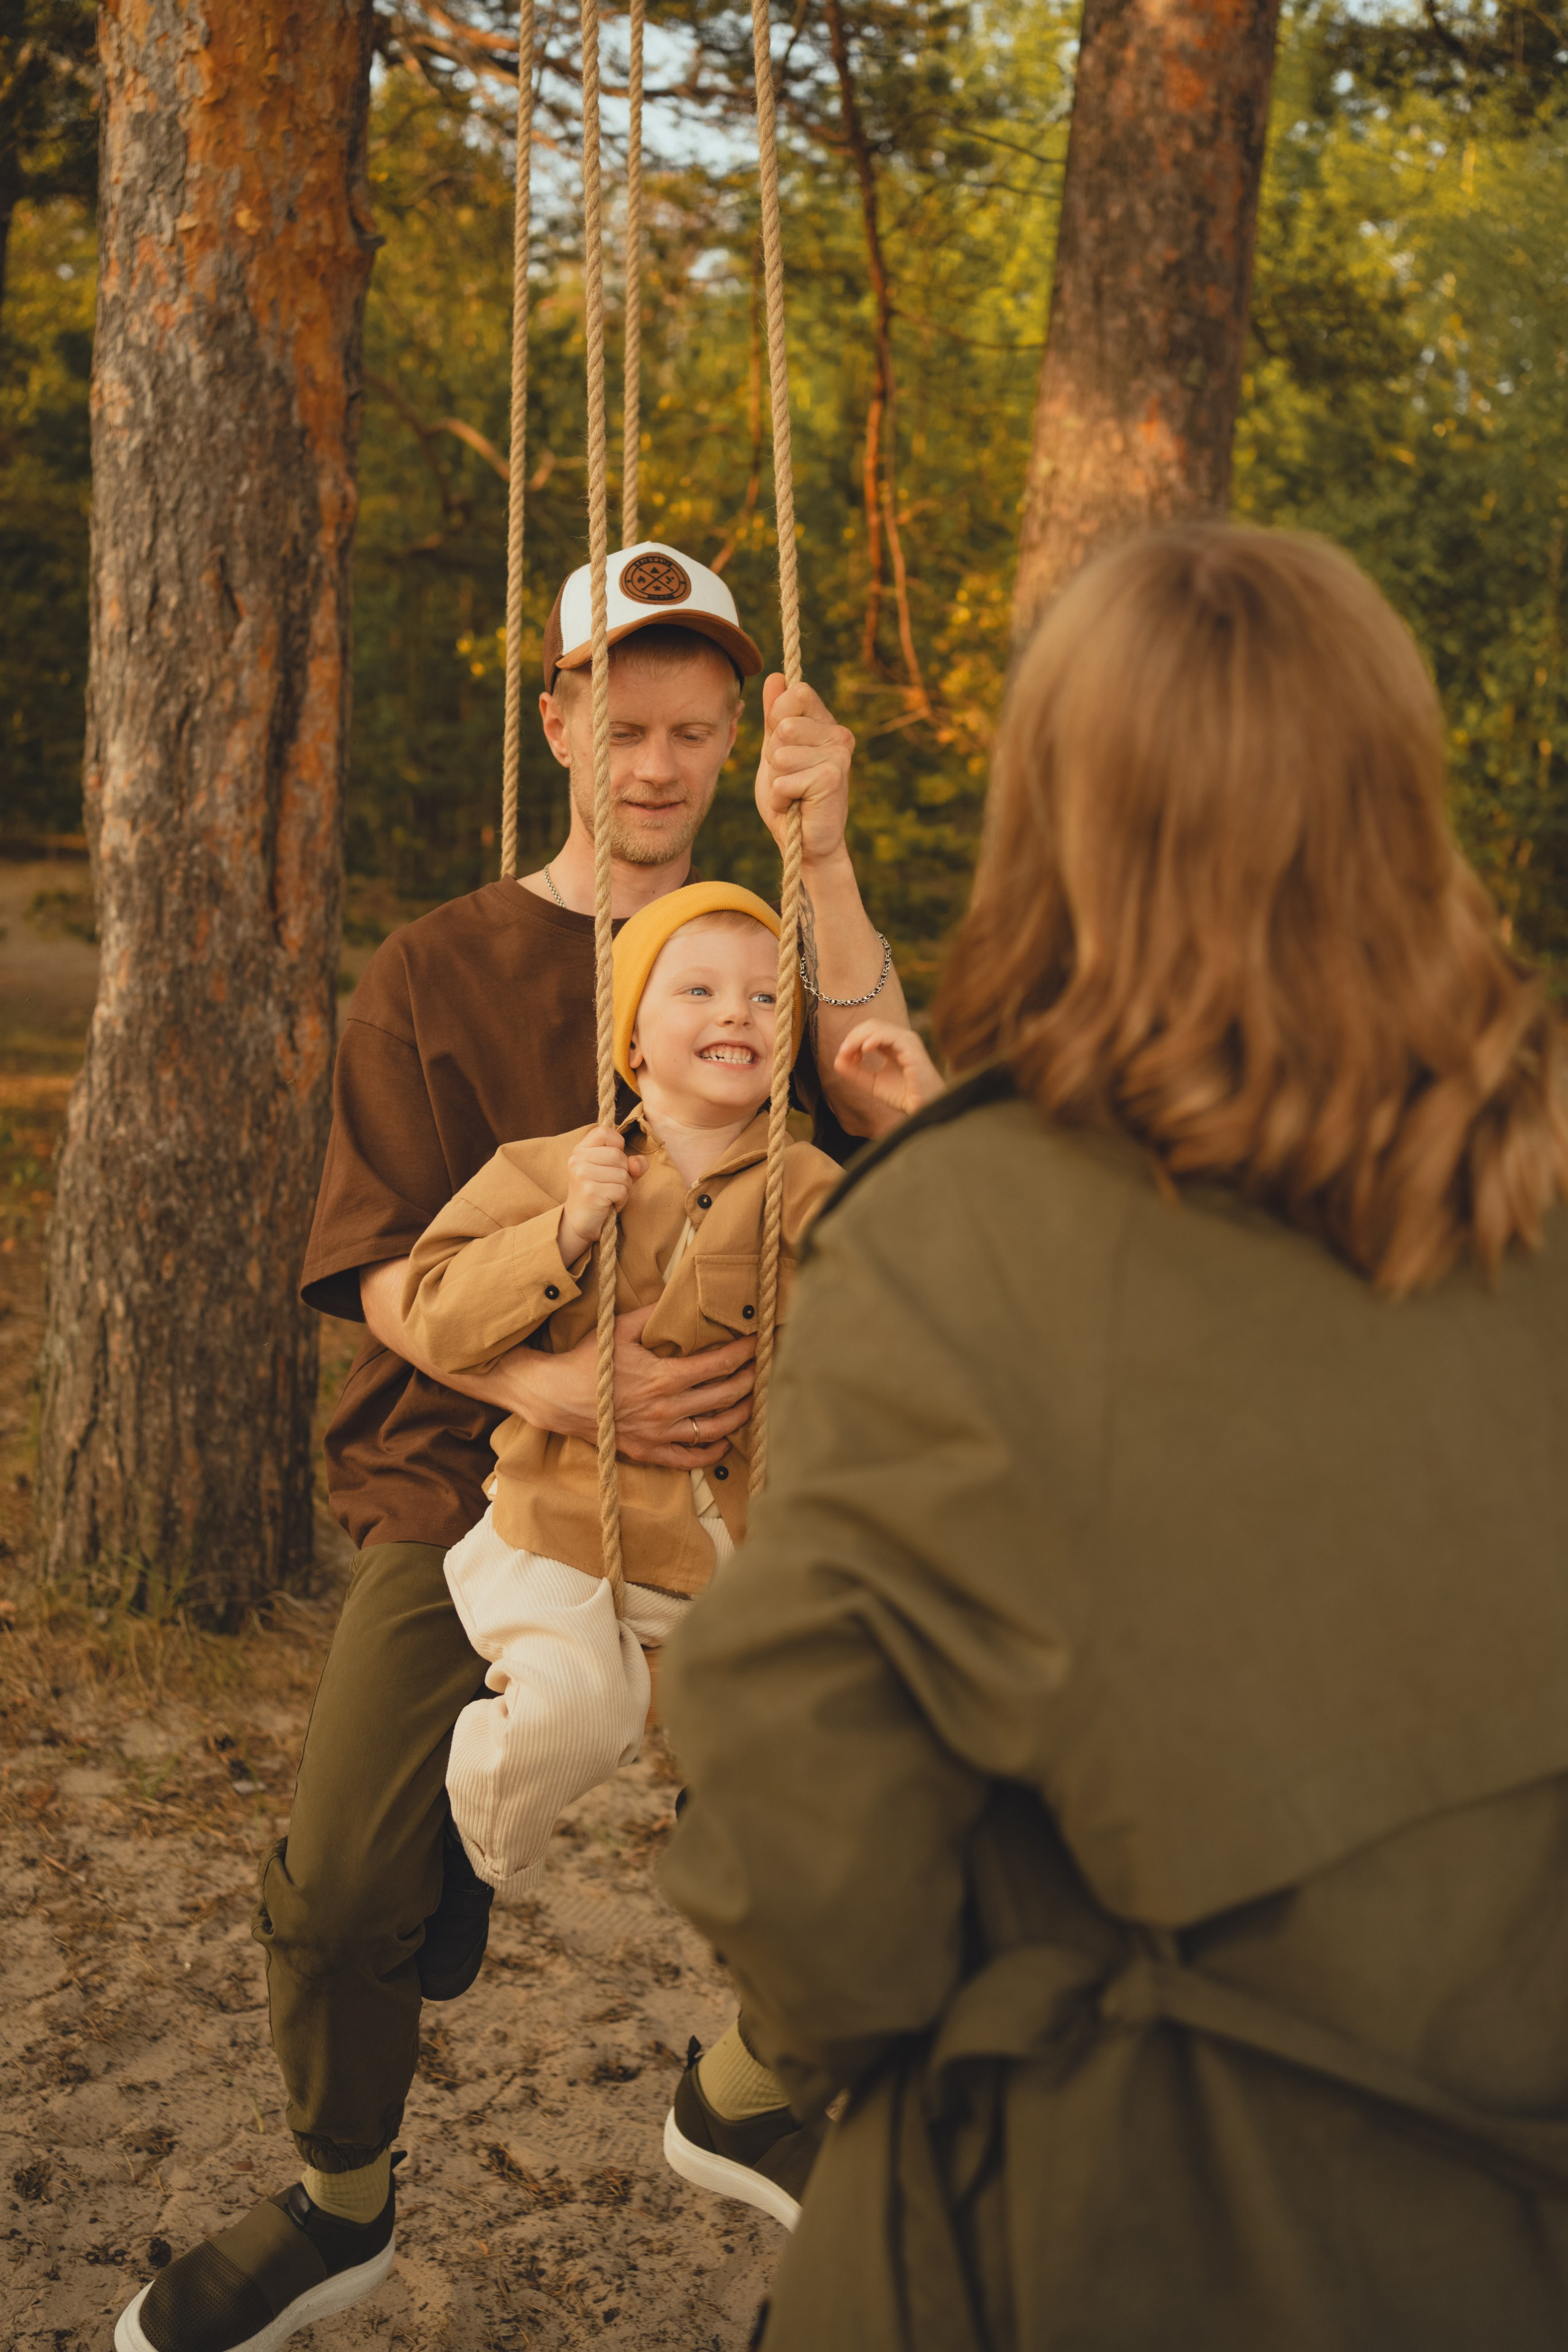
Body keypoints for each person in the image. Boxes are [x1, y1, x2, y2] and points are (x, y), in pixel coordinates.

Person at [658, 523, 1568, 2352]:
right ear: (1403, 807)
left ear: (1062, 829)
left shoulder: (965, 1237)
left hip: (1113, 2230)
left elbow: (807, 1875)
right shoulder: (1537, 1213)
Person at [116, 542, 914, 2352]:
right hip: (475, 1487)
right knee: (338, 1896)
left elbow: (901, 1116)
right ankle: (339, 2207)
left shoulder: (763, 950)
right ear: (557, 717)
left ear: (733, 744)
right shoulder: (439, 967)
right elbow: (380, 1264)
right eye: (626, 724)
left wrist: (828, 857)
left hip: (734, 1518)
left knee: (866, 1835)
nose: (657, 764)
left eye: (695, 733)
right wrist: (548, 1392)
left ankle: (754, 2091)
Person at [401, 883, 940, 2223]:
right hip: (554, 1542)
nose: (737, 1014)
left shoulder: (810, 1188)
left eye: (764, 995)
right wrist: (564, 1231)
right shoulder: (562, 1164)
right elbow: (430, 1305)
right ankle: (465, 1851)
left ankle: (744, 2093)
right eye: (696, 989)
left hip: (716, 1571)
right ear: (631, 1037)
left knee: (833, 1781)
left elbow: (928, 1290)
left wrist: (919, 1127)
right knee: (580, 1711)